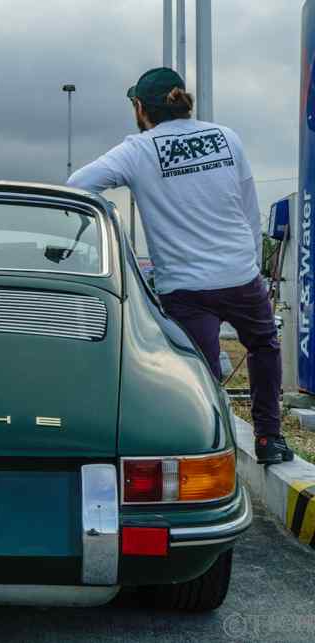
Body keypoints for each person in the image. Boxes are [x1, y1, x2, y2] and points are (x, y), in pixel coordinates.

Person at [67, 67, 294, 464]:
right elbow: (247, 206)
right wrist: (250, 262)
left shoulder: (137, 151)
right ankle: (269, 439)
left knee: (199, 374)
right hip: (240, 275)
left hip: (186, 288)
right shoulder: (226, 138)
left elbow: (77, 185)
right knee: (263, 346)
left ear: (141, 108)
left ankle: (211, 448)